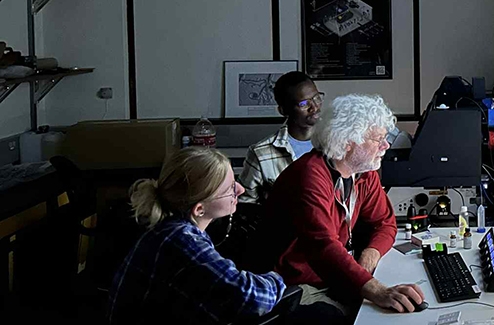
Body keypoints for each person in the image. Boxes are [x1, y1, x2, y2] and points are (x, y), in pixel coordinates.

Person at [257, 94, 424, 320]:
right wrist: (377, 290)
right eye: (378, 140)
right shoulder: (310, 176)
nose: (386, 146)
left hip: (330, 276)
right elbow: (323, 247)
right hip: (295, 283)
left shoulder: (364, 172)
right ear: (347, 142)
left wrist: (371, 254)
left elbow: (384, 223)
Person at [107, 147, 287, 325]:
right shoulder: (181, 239)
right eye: (230, 188)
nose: (240, 190)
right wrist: (279, 277)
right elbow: (250, 298)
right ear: (199, 209)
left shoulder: (169, 228)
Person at [239, 71, 324, 204]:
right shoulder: (261, 154)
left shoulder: (335, 143)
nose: (314, 107)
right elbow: (244, 206)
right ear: (283, 110)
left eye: (317, 98)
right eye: (304, 104)